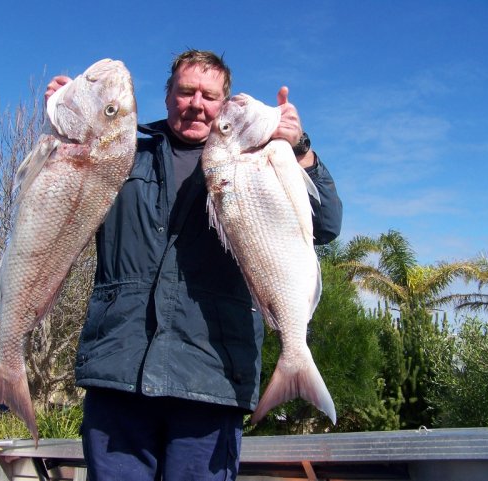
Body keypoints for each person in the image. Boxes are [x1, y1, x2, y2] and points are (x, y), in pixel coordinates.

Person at [45, 50, 342, 481]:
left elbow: (327, 225)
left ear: (223, 104)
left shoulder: (259, 158)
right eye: (185, 92)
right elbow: (60, 201)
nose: (196, 104)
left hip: (212, 376)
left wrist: (300, 148)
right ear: (167, 97)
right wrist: (68, 120)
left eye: (209, 95)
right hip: (120, 371)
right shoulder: (123, 154)